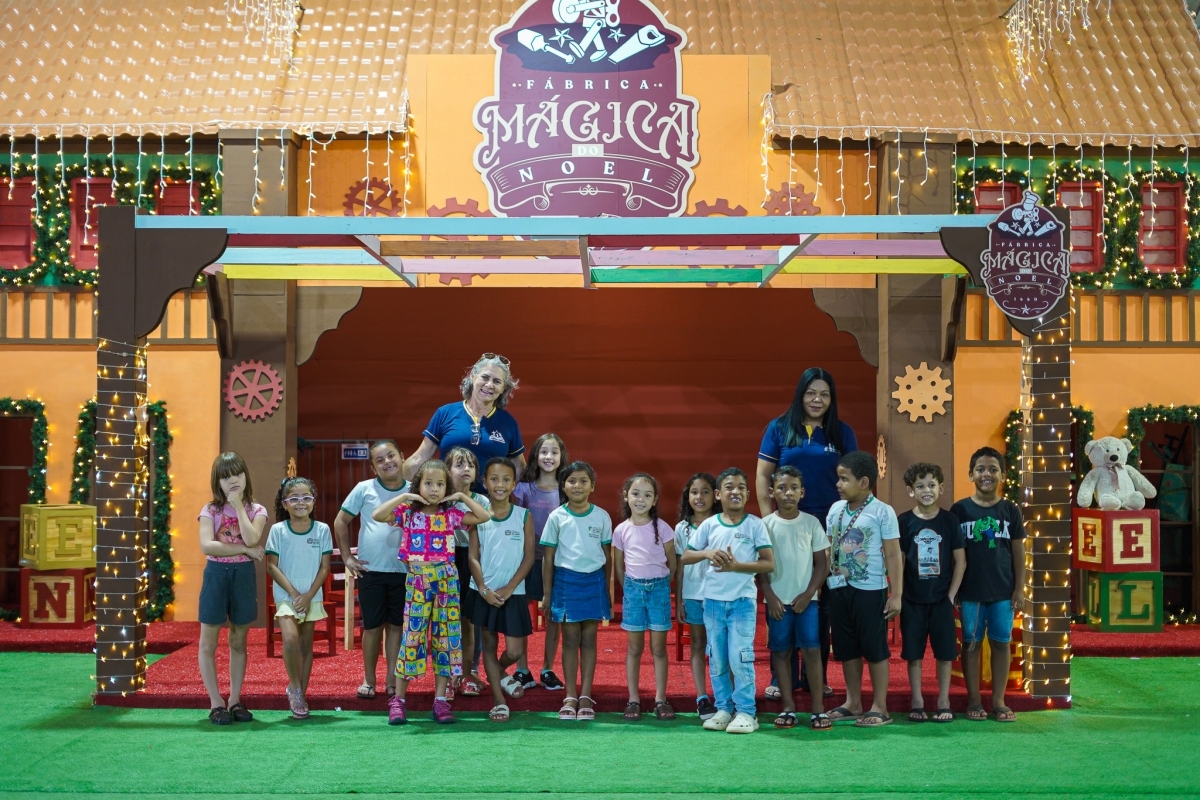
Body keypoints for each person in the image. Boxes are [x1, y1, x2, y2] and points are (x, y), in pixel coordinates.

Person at [756, 367, 856, 699]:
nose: (817, 400)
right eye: (811, 393)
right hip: (785, 526)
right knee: (783, 596)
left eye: (824, 394)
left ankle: (817, 677)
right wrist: (768, 523)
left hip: (827, 527)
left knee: (821, 602)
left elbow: (853, 480)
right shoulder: (779, 428)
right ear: (801, 394)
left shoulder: (842, 433)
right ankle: (779, 678)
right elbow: (763, 476)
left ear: (832, 399)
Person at [372, 459, 490, 725]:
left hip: (446, 580)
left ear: (447, 488)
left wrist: (461, 497)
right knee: (411, 638)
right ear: (418, 485)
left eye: (440, 484)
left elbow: (484, 516)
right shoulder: (407, 512)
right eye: (428, 483)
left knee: (445, 639)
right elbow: (377, 515)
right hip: (417, 581)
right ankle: (399, 701)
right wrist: (404, 496)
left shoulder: (451, 514)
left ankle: (440, 701)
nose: (434, 489)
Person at [681, 467, 774, 734]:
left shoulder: (755, 524)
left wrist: (737, 566)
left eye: (741, 487)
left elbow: (768, 563)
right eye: (729, 487)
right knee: (718, 658)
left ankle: (746, 712)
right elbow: (686, 556)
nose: (736, 492)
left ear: (748, 494)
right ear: (718, 494)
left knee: (739, 657)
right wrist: (707, 553)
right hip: (712, 603)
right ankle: (723, 708)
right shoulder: (709, 525)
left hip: (742, 602)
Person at [824, 451, 902, 728]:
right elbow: (829, 548)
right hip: (839, 589)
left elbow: (893, 554)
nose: (838, 484)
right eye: (838, 478)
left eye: (844, 479)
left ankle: (880, 707)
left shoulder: (882, 511)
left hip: (870, 590)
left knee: (874, 648)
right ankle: (853, 702)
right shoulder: (835, 509)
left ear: (864, 482)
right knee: (846, 647)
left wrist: (896, 594)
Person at [950, 446, 1026, 724]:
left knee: (1001, 643)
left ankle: (998, 701)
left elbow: (1018, 552)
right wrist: (954, 589)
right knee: (971, 644)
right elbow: (953, 554)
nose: (986, 474)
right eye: (980, 469)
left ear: (1003, 475)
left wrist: (1019, 588)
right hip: (970, 593)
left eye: (993, 469)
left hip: (1003, 593)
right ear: (971, 474)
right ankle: (973, 700)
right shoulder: (960, 510)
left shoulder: (1010, 510)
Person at [334, 440, 409, 701]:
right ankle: (369, 678)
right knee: (373, 627)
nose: (387, 462)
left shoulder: (414, 491)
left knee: (396, 627)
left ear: (402, 457)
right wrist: (347, 557)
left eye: (391, 456)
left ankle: (391, 679)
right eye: (380, 460)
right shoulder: (363, 489)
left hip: (405, 571)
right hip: (371, 571)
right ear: (373, 467)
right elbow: (341, 521)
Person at [757, 466, 831, 730]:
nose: (788, 493)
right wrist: (769, 595)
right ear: (772, 491)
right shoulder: (764, 525)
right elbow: (759, 565)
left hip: (806, 602)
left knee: (812, 650)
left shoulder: (811, 523)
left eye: (794, 488)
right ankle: (788, 707)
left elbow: (822, 564)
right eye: (782, 488)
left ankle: (818, 709)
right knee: (781, 652)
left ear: (802, 492)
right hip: (777, 601)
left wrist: (809, 593)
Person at [196, 452, 268, 725]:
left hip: (243, 576)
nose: (232, 480)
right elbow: (207, 546)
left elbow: (252, 537)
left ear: (245, 476)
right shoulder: (210, 510)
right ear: (218, 482)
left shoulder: (257, 510)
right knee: (208, 642)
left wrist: (238, 507)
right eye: (225, 477)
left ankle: (235, 700)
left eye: (237, 474)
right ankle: (216, 702)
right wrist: (245, 550)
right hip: (216, 574)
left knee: (238, 640)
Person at [540, 461, 612, 721]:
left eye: (583, 481)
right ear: (563, 486)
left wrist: (608, 590)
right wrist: (547, 594)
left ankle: (585, 695)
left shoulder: (602, 516)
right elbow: (548, 558)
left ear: (592, 486)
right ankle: (570, 696)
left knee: (589, 639)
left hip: (594, 582)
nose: (577, 485)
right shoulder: (556, 517)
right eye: (571, 481)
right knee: (570, 639)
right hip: (566, 582)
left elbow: (608, 556)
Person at [467, 457, 536, 722]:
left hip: (513, 593)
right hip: (484, 593)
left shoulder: (523, 516)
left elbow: (529, 557)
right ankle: (498, 700)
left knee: (515, 651)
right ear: (485, 482)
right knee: (489, 644)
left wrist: (509, 588)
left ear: (514, 484)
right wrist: (483, 588)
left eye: (506, 479)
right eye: (494, 479)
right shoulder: (478, 516)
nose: (500, 484)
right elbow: (473, 557)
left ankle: (497, 672)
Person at [898, 463, 965, 724]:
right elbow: (899, 561)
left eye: (931, 485)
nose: (926, 490)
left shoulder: (949, 520)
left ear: (941, 488)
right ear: (910, 490)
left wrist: (950, 596)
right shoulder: (904, 521)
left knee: (945, 653)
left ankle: (943, 701)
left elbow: (960, 561)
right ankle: (917, 702)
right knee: (913, 654)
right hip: (912, 600)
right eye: (920, 486)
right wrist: (898, 594)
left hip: (941, 600)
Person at [265, 476, 333, 720]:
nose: (300, 502)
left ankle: (301, 695)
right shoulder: (278, 530)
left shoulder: (322, 529)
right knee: (291, 639)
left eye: (306, 497)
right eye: (294, 498)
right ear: (284, 504)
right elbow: (271, 566)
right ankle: (294, 687)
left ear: (313, 501)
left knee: (306, 646)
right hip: (287, 596)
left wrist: (308, 595)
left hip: (311, 595)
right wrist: (295, 595)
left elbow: (324, 568)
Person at [613, 472, 678, 721]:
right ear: (626, 496)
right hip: (633, 591)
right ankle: (633, 699)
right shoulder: (621, 530)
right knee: (634, 647)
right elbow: (619, 566)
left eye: (647, 495)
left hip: (659, 590)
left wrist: (662, 583)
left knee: (658, 648)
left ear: (655, 500)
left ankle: (661, 699)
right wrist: (630, 588)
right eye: (636, 494)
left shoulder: (663, 528)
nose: (641, 499)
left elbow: (672, 562)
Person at [404, 354, 526, 487]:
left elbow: (519, 467)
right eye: (485, 377)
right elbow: (419, 458)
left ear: (503, 388)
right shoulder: (445, 413)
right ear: (473, 376)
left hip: (489, 500)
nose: (489, 385)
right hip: (449, 498)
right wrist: (392, 486)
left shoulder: (508, 422)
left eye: (497, 381)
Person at [510, 432, 568, 691]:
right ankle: (522, 669)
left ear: (561, 457)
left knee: (553, 616)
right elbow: (515, 521)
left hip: (556, 561)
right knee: (521, 613)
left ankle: (547, 668)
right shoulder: (523, 488)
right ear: (535, 455)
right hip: (526, 559)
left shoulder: (566, 490)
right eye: (544, 451)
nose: (549, 457)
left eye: (554, 452)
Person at [674, 472, 720, 721]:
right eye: (694, 492)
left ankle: (725, 697)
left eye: (705, 492)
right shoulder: (682, 528)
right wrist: (679, 599)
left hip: (718, 594)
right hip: (692, 595)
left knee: (720, 647)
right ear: (687, 496)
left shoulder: (722, 523)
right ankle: (702, 697)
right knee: (698, 644)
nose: (699, 497)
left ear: (715, 495)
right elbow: (680, 567)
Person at [446, 446, 490, 698]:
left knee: (469, 621)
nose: (466, 469)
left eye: (471, 465)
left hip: (473, 561)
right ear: (447, 470)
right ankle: (447, 676)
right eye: (459, 464)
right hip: (446, 560)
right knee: (445, 621)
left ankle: (467, 673)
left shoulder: (481, 501)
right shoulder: (439, 498)